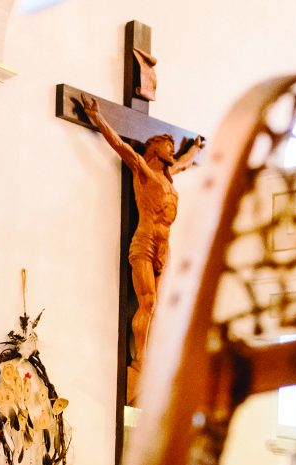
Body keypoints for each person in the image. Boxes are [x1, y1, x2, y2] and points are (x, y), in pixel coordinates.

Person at [79, 94, 204, 405]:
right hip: (145, 243)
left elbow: (186, 163)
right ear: (154, 149)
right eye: (167, 145)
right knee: (148, 303)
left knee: (163, 307)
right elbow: (122, 147)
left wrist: (196, 148)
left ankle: (157, 363)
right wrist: (98, 119)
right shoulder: (143, 172)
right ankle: (140, 363)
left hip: (165, 246)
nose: (172, 149)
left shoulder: (168, 176)